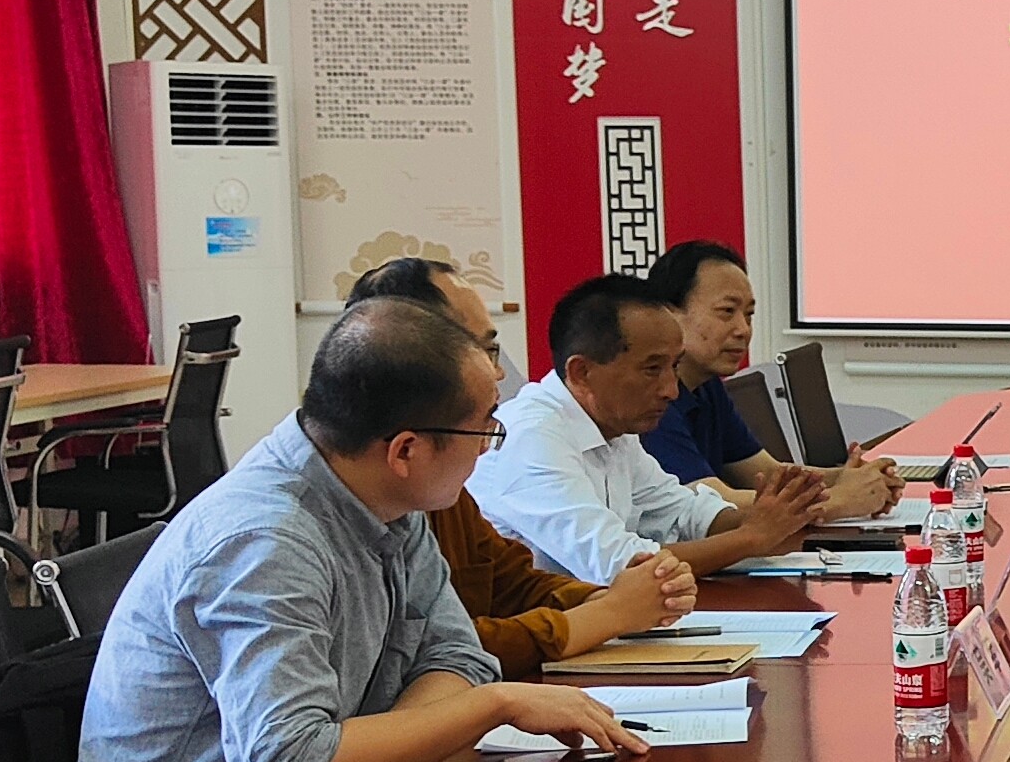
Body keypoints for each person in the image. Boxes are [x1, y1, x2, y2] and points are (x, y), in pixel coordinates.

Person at [73, 298, 643, 762]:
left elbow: (456, 654)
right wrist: (491, 706)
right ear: (405, 450)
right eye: (484, 428)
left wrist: (378, 750)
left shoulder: (388, 495)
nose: (486, 447)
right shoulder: (264, 542)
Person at [346, 256, 694, 674]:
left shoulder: (434, 478)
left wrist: (598, 600)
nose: (497, 373)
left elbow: (508, 580)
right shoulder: (317, 514)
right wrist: (608, 614)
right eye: (480, 350)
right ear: (405, 358)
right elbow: (435, 648)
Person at [473, 275, 841, 583]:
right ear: (581, 372)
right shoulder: (530, 437)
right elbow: (623, 565)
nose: (671, 389)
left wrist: (775, 517)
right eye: (652, 369)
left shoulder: (615, 427)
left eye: (674, 367)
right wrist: (751, 538)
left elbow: (683, 514)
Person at [634, 238, 898, 515]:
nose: (743, 330)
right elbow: (709, 505)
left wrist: (852, 478)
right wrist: (838, 499)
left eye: (748, 315)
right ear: (669, 314)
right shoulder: (652, 401)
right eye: (727, 312)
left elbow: (767, 473)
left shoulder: (707, 385)